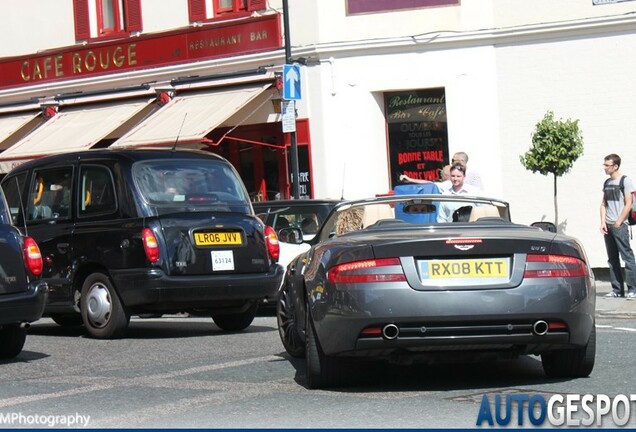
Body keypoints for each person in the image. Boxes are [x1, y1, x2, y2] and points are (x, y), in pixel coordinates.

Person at [600, 153, 636, 298]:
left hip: (619, 225)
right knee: (612, 258)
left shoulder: (625, 181)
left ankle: (633, 289)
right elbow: (603, 204)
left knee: (627, 257)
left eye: (607, 165)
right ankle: (617, 290)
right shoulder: (607, 183)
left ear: (615, 166)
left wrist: (619, 222)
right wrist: (603, 222)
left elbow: (629, 203)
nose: (604, 168)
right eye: (604, 164)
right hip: (608, 225)